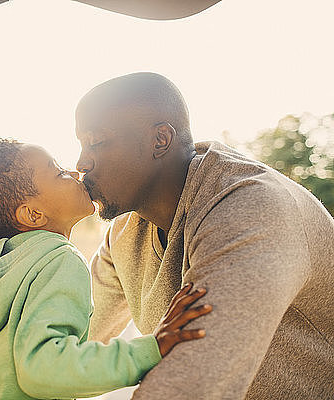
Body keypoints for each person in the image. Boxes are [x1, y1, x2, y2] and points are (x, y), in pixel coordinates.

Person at [75, 72, 334, 399]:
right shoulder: (125, 231)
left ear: (160, 140)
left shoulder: (249, 207)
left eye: (96, 141)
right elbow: (73, 340)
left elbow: (189, 386)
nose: (82, 162)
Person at [0, 139, 212, 399]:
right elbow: (43, 368)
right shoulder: (58, 259)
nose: (75, 172)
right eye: (58, 173)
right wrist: (151, 349)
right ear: (33, 214)